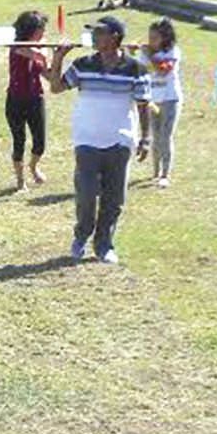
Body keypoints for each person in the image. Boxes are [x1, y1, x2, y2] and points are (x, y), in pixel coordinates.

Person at [49, 16, 150, 264]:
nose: (94, 37)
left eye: (99, 32)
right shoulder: (82, 65)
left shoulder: (136, 69)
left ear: (115, 37)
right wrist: (58, 58)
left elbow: (143, 105)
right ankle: (82, 235)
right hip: (86, 139)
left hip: (120, 140)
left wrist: (146, 138)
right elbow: (56, 88)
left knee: (114, 198)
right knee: (86, 193)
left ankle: (104, 245)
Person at [4, 9, 54, 189]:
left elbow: (49, 76)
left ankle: (33, 166)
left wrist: (58, 56)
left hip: (35, 98)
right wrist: (44, 50)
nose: (45, 33)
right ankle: (20, 179)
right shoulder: (17, 46)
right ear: (31, 31)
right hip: (16, 100)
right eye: (42, 29)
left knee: (40, 142)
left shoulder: (39, 49)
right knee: (19, 141)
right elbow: (32, 53)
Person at [140, 19, 183, 187]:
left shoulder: (173, 51)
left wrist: (150, 54)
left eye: (155, 38)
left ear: (165, 38)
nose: (151, 41)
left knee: (166, 136)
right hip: (152, 99)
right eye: (149, 37)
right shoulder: (145, 53)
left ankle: (165, 174)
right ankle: (155, 171)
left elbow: (164, 70)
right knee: (155, 136)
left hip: (170, 98)